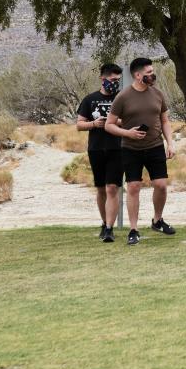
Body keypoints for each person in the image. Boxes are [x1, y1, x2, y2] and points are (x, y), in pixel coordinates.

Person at [105, 57, 177, 245]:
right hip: (130, 149)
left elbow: (165, 121)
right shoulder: (123, 97)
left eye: (152, 72)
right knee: (134, 187)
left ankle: (157, 220)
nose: (152, 75)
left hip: (155, 146)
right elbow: (109, 125)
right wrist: (127, 133)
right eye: (148, 73)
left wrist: (170, 143)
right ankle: (133, 229)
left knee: (161, 185)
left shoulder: (158, 94)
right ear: (137, 75)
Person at [74, 62, 125, 243]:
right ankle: (104, 223)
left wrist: (114, 123)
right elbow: (79, 124)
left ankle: (110, 228)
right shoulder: (89, 99)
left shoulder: (122, 98)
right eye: (112, 79)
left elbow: (128, 120)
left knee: (113, 188)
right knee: (101, 189)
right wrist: (94, 124)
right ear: (102, 78)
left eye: (118, 80)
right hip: (96, 149)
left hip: (117, 148)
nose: (115, 83)